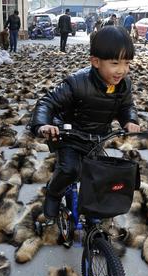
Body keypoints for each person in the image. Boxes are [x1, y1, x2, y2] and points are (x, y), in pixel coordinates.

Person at [29, 26, 140, 219]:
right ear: (95, 62)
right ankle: (53, 194)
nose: (122, 70)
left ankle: (92, 210)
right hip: (69, 134)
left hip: (97, 137)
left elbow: (126, 106)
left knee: (96, 174)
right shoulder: (77, 82)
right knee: (70, 169)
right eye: (115, 63)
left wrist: (130, 120)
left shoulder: (123, 85)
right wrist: (42, 125)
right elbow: (47, 102)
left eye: (127, 63)